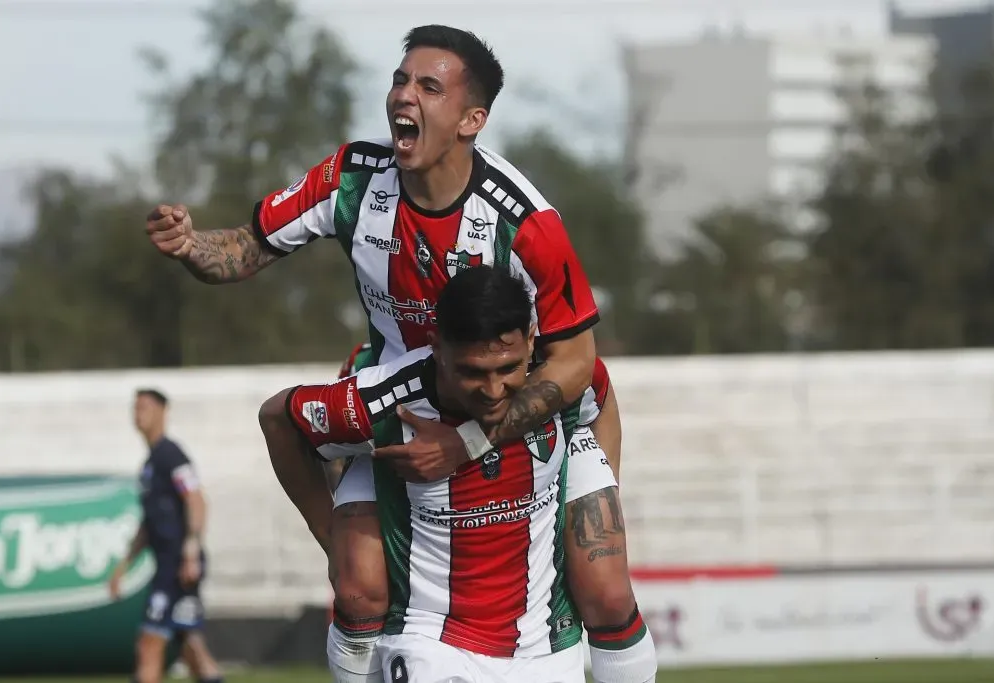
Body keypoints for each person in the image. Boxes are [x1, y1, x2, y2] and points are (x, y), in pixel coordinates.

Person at [145, 24, 655, 683]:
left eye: (428, 86)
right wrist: (190, 248)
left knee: (607, 588)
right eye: (400, 79)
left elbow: (576, 362)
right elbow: (244, 249)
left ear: (473, 118)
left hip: (530, 404)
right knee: (357, 585)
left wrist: (473, 438)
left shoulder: (526, 223)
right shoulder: (352, 181)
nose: (403, 96)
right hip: (399, 397)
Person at [270, 266, 605, 682]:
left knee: (612, 590)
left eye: (508, 369)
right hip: (429, 636)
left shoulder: (564, 381)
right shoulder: (383, 401)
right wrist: (327, 531)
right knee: (358, 587)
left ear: (532, 339)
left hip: (543, 646)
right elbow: (278, 419)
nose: (493, 390)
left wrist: (607, 488)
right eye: (472, 371)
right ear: (437, 348)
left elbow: (601, 405)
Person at [108, 389, 224, 683]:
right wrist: (124, 565)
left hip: (178, 566)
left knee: (149, 643)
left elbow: (196, 500)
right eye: (135, 408)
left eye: (145, 407)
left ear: (163, 411)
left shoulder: (171, 454)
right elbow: (148, 525)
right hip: (168, 564)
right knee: (190, 646)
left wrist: (190, 550)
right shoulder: (149, 465)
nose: (138, 414)